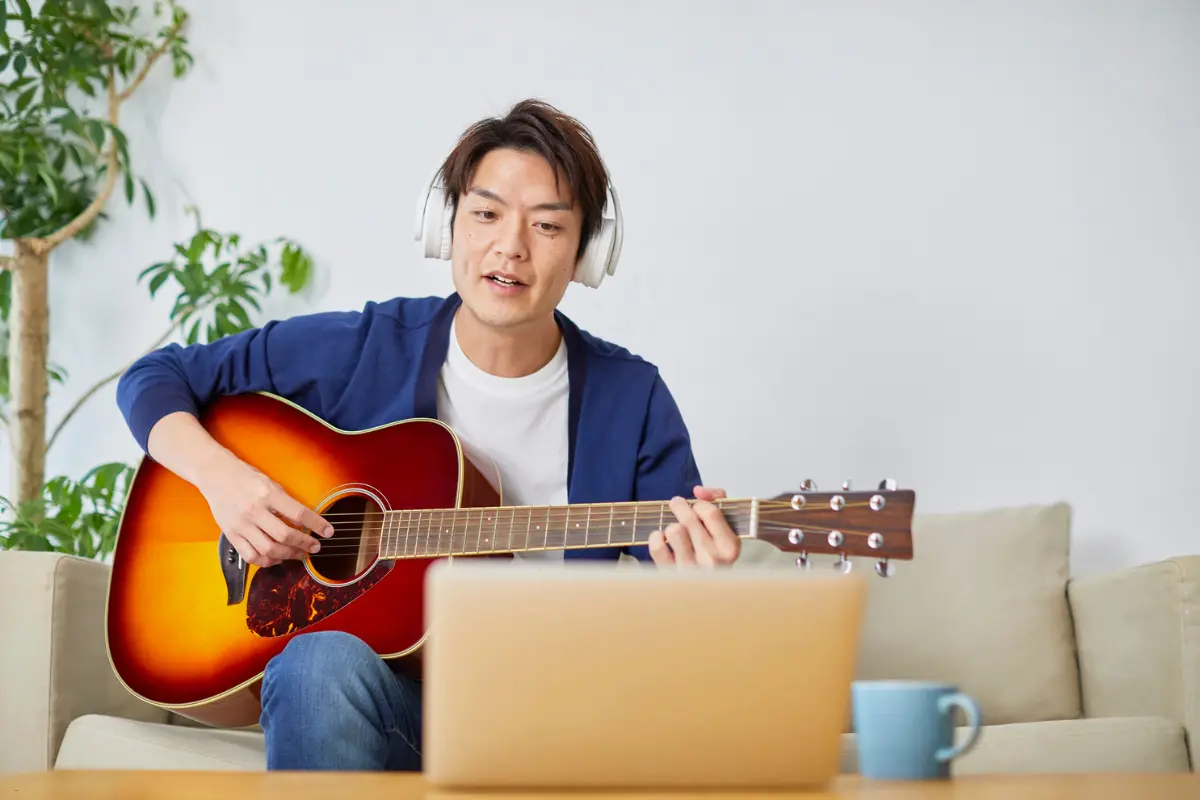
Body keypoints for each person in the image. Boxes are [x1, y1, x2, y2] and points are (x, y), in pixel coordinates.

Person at [115, 98, 740, 772]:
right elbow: (156, 376)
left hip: (548, 715)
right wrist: (227, 484)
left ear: (588, 252)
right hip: (392, 706)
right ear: (445, 227)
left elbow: (674, 651)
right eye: (487, 214)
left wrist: (694, 590)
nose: (511, 246)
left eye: (548, 225)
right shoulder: (367, 347)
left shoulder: (632, 399)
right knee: (318, 663)